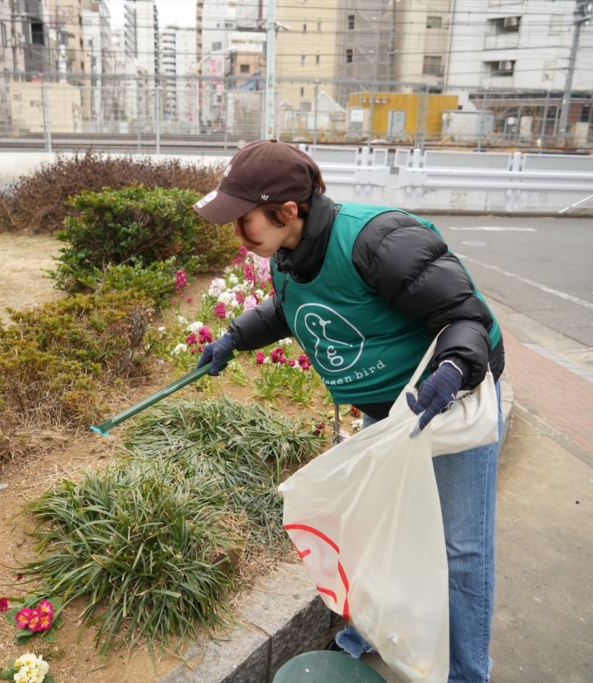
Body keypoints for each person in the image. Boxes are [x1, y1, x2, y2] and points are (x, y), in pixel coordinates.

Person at [193, 139, 505, 683]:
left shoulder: (382, 240)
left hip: (449, 398)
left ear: (288, 210)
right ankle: (371, 634)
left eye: (244, 219)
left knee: (461, 548)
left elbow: (465, 316)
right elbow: (289, 309)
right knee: (378, 526)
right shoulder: (289, 255)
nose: (237, 232)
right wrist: (234, 338)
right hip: (388, 408)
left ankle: (467, 674)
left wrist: (453, 371)